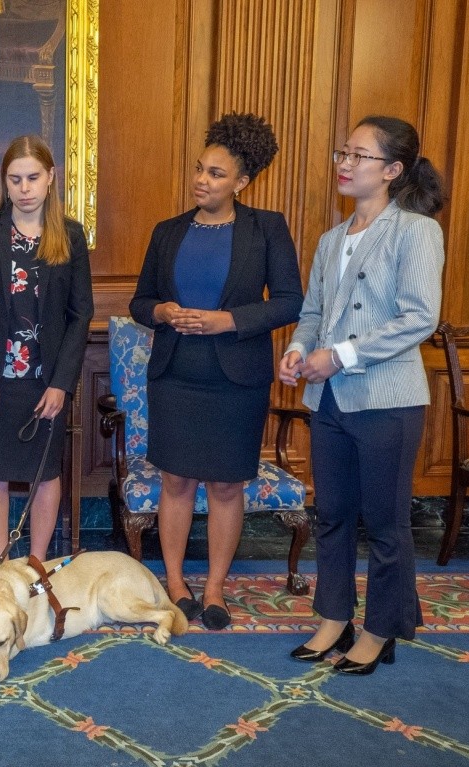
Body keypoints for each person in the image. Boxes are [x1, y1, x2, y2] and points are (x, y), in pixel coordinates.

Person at [281, 116, 445, 674]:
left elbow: (420, 318)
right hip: (328, 402)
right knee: (331, 514)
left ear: (394, 171)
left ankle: (380, 629)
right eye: (342, 152)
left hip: (387, 400)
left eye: (359, 155)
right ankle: (333, 617)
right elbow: (311, 314)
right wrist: (300, 350)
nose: (345, 164)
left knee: (384, 521)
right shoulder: (332, 239)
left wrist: (340, 355)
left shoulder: (416, 231)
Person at [130, 113, 303, 631]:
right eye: (200, 169)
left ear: (242, 182)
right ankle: (176, 582)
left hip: (237, 379)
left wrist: (229, 319)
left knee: (227, 486)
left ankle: (215, 588)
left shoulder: (266, 229)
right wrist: (162, 312)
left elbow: (291, 301)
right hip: (175, 374)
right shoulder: (167, 232)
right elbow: (141, 302)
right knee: (176, 480)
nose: (202, 180)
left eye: (216, 174)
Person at [0, 134, 94, 562]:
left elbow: (80, 315)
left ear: (50, 177)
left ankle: (36, 566)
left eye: (33, 178)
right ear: (5, 182)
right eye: (15, 179)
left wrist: (61, 384)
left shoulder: (69, 234)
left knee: (45, 475)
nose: (25, 188)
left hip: (45, 382)